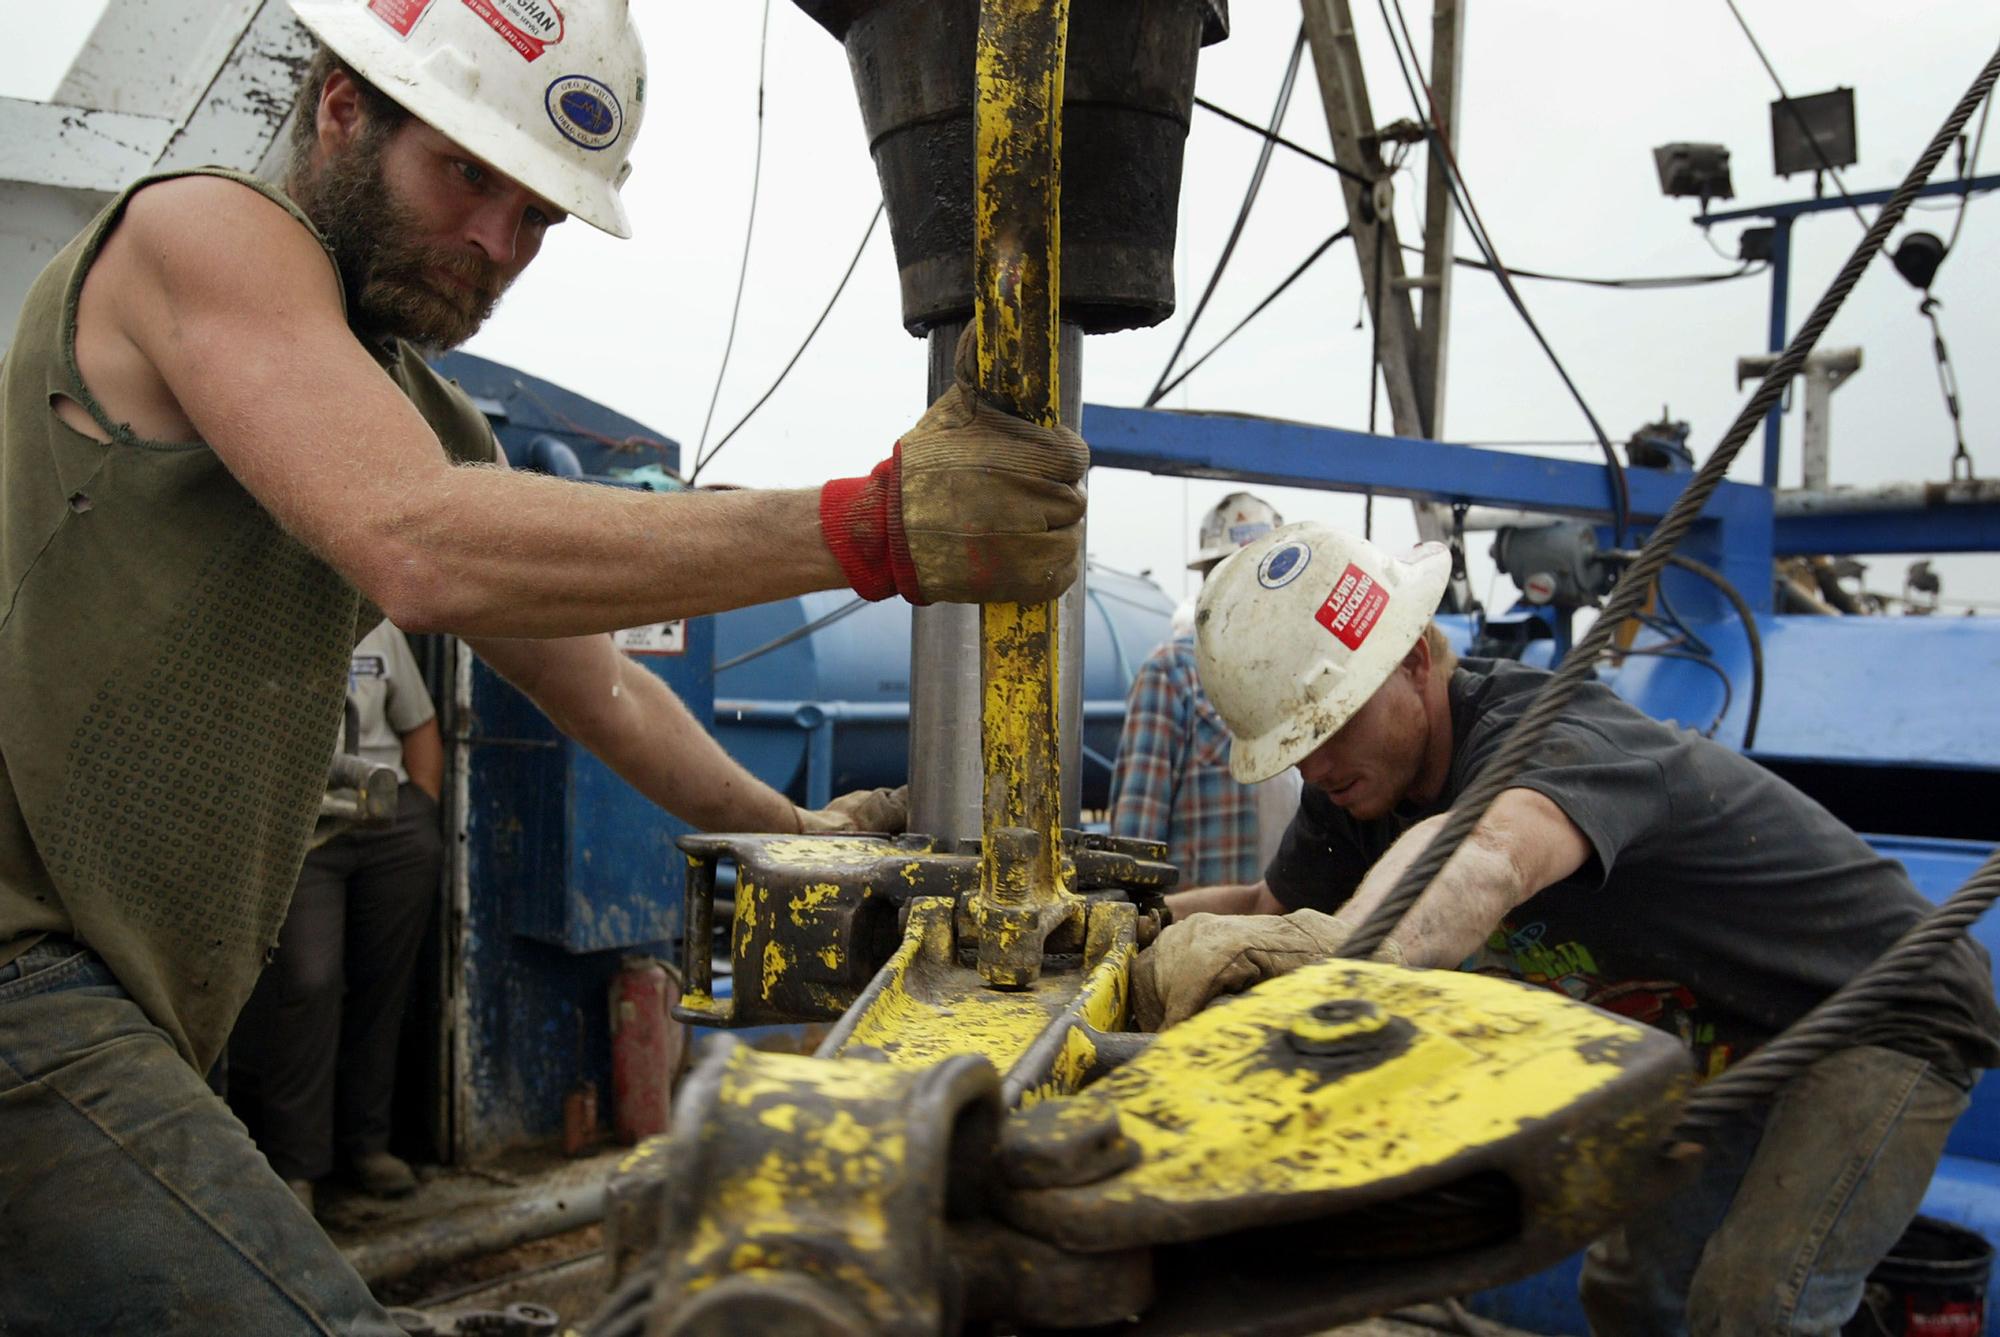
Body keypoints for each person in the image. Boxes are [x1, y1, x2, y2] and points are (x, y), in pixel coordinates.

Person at [0, 1, 1084, 1330]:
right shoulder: (200, 233)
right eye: (467, 176)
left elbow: (609, 690)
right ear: (344, 108)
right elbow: (419, 544)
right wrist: (869, 525)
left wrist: (802, 838)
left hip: (134, 1003)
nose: (496, 245)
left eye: (536, 220)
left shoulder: (420, 417)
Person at [1132, 522, 2000, 1335]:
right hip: (1735, 1040)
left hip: (1884, 1006)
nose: (1317, 763)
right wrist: (1129, 925)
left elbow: (1491, 851)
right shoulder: (1355, 791)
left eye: (1335, 722)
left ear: (1418, 662)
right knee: (1631, 1292)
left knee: (1756, 1305)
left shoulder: (1550, 734)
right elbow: (1262, 915)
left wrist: (1341, 954)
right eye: (1296, 746)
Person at [229, 620, 445, 1210]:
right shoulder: (262, 626)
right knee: (309, 981)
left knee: (384, 985)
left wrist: (420, 812)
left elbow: (419, 725)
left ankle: (368, 1145)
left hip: (388, 819)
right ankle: (297, 1163)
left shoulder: (382, 633)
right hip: (302, 825)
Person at [1109, 492, 1300, 886]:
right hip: (1204, 937)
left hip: (1289, 926)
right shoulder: (1172, 673)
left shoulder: (1302, 670)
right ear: (1211, 580)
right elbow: (1134, 841)